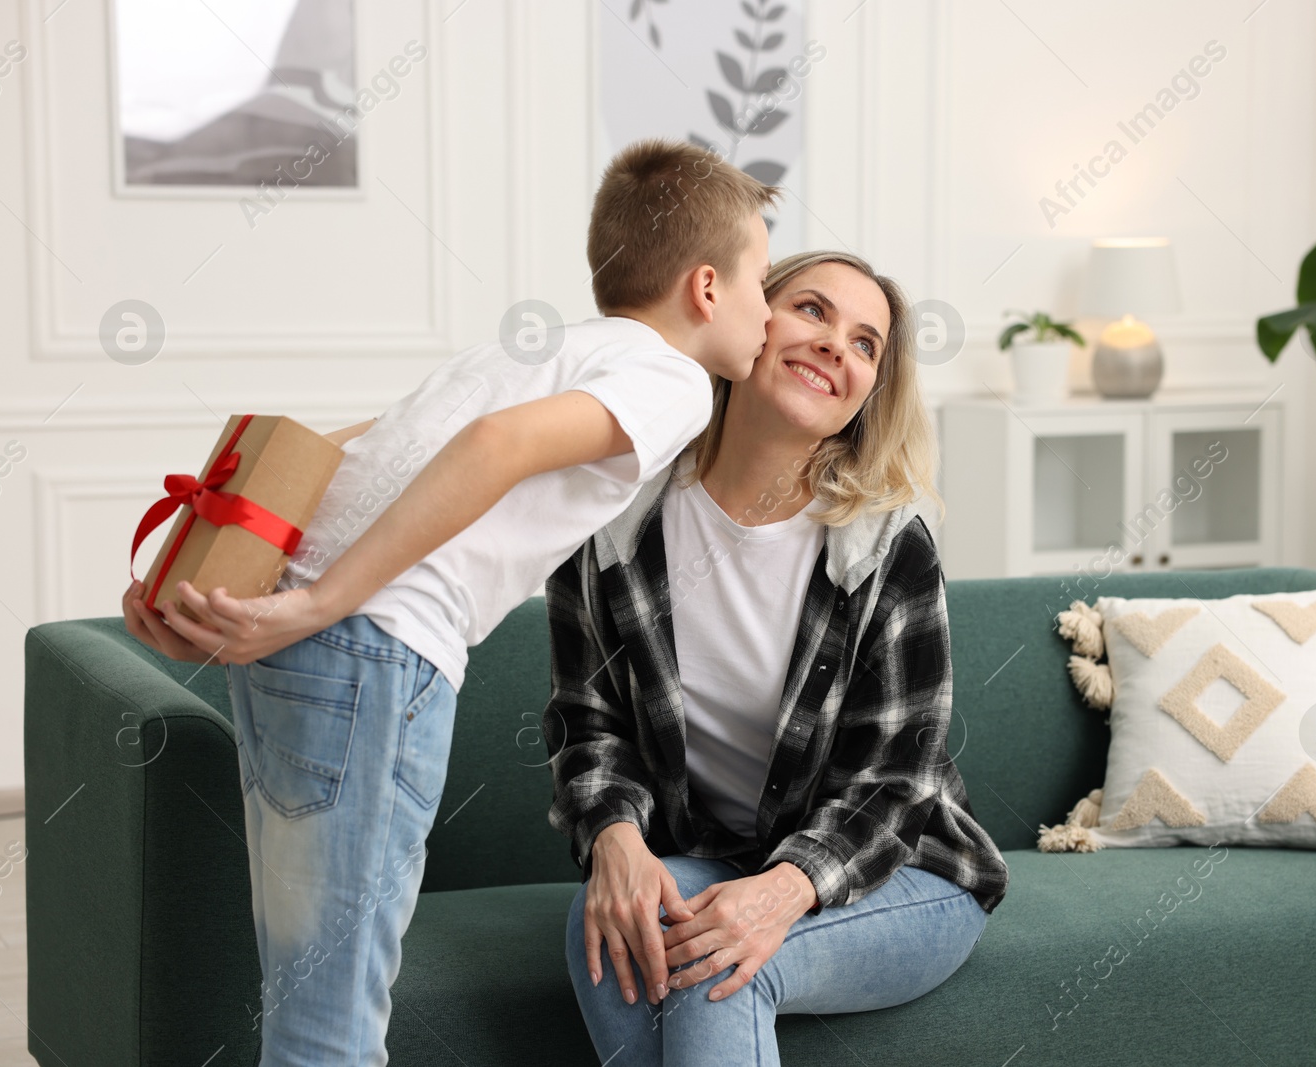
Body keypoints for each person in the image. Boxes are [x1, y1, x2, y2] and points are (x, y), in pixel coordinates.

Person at [119, 137, 778, 1065]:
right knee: (334, 1029)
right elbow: (493, 448)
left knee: (305, 1001)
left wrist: (236, 596)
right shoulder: (676, 382)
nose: (770, 316)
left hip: (307, 649)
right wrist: (328, 603)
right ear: (707, 289)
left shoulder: (541, 346)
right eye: (763, 285)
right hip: (377, 652)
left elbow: (360, 449)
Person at [543, 250, 1010, 1065]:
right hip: (720, 858)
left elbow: (897, 783)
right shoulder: (615, 520)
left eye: (867, 344)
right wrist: (615, 839)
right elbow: (589, 723)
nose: (838, 345)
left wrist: (782, 891)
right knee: (610, 929)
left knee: (708, 966)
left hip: (905, 873)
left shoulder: (886, 548)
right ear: (753, 324)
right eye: (813, 311)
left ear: (869, 395)